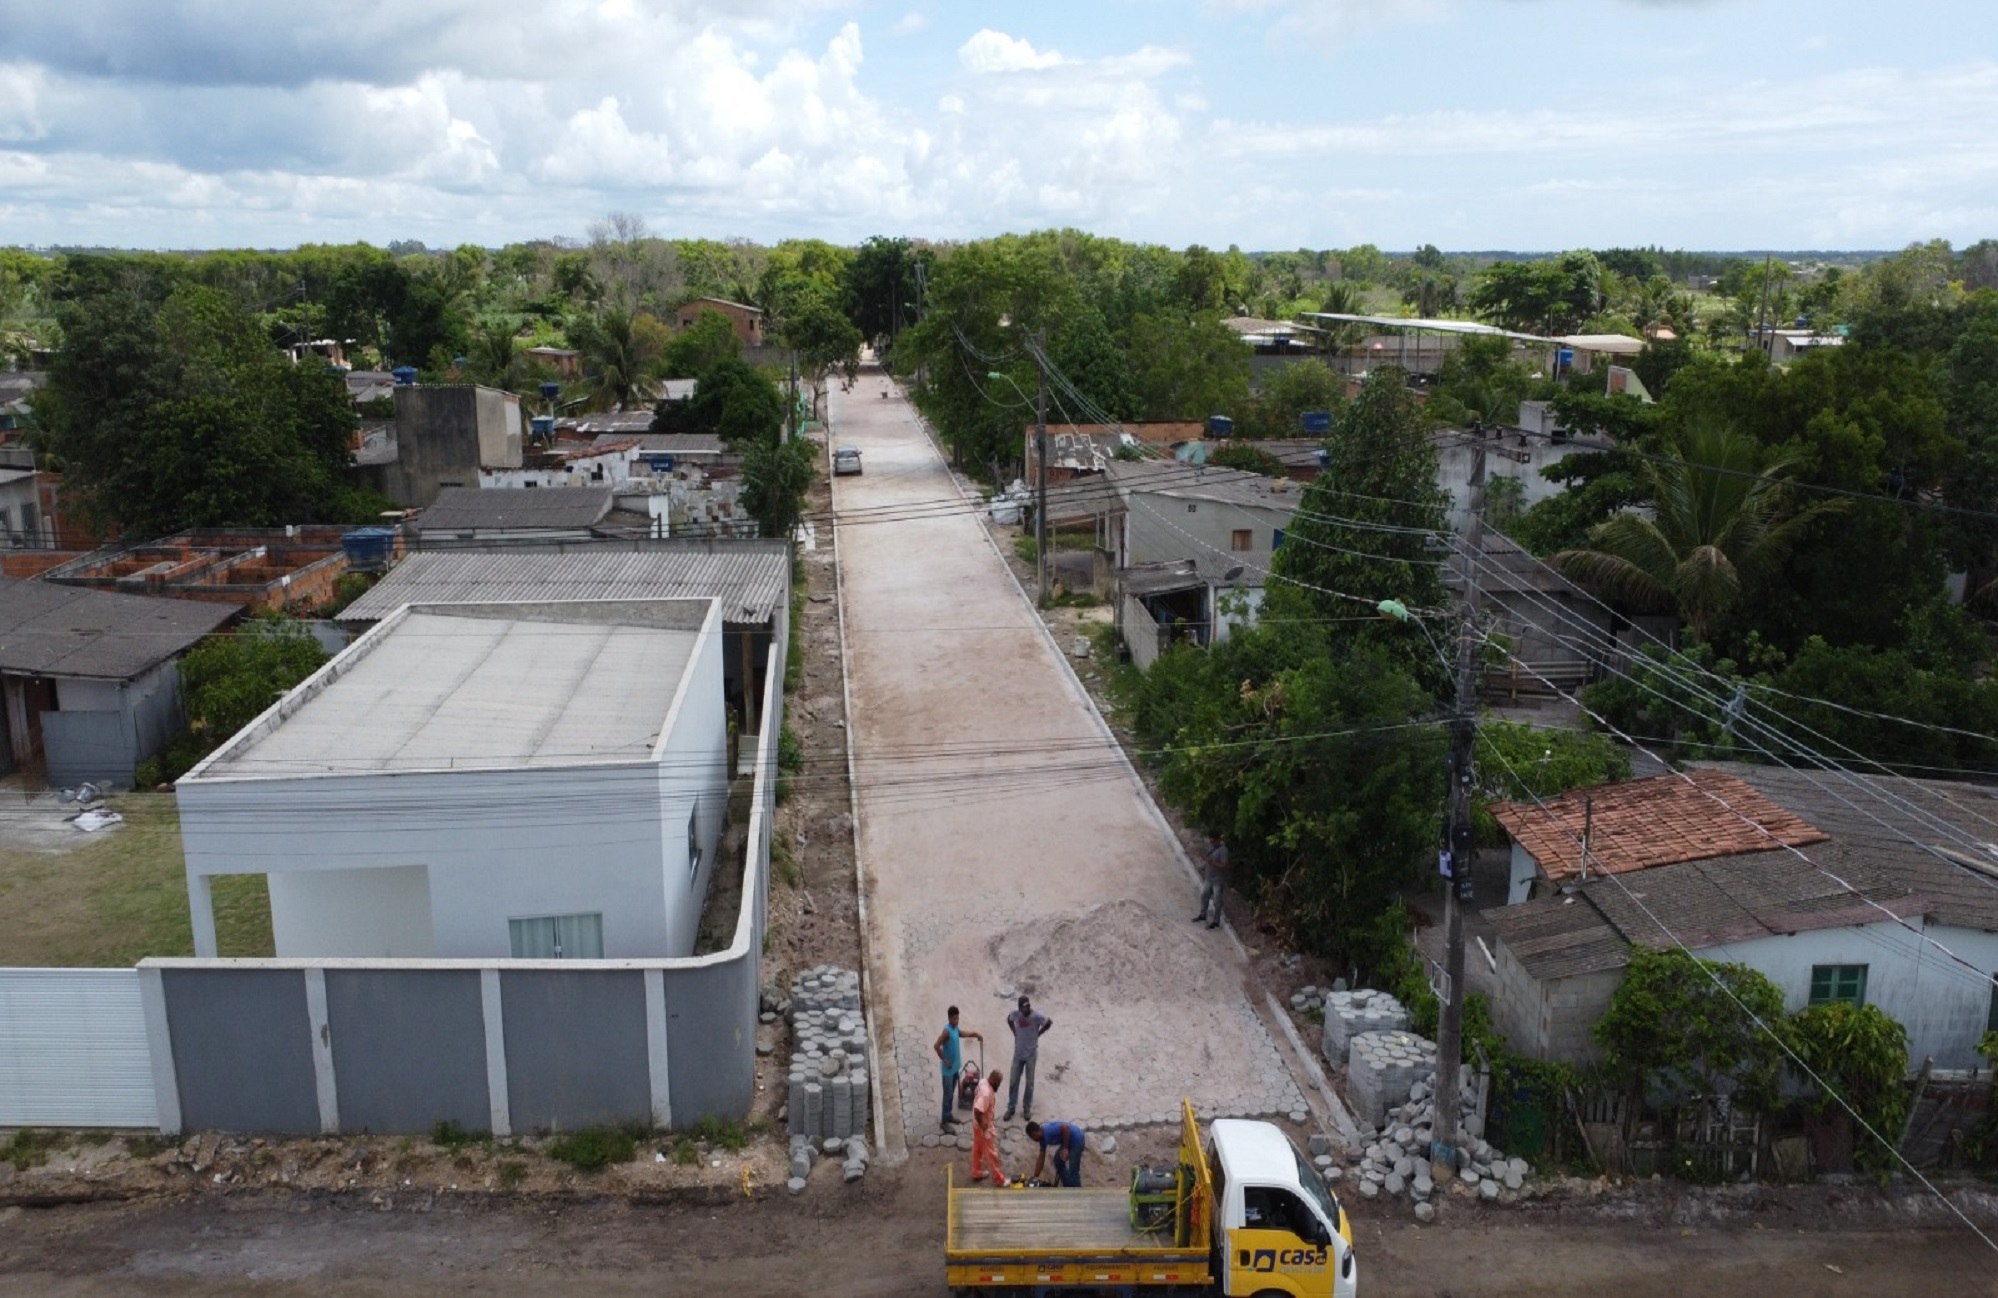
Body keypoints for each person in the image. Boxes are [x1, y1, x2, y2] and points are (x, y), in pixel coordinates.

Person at [1002, 994, 1052, 1122]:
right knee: (1013, 1081)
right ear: (1019, 1009)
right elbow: (1009, 1019)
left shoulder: (1036, 1016)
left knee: (1029, 1083)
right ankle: (1011, 1107)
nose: (1025, 1010)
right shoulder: (1017, 1015)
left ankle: (1026, 1108)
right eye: (1023, 1009)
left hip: (1030, 1054)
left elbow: (1049, 1022)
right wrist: (1015, 1033)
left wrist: (1039, 1033)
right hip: (1018, 1053)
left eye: (1027, 1007)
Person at [933, 1006, 981, 1134]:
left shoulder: (955, 1029)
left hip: (955, 1069)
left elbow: (963, 1034)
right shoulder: (946, 1031)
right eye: (954, 1018)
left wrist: (975, 1034)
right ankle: (944, 1122)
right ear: (949, 1018)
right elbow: (936, 1046)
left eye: (958, 1018)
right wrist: (945, 1059)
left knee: (952, 1093)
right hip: (947, 1071)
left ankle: (949, 1115)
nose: (957, 1020)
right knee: (947, 1094)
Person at [1024, 1119, 1086, 1188]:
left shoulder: (1049, 1130)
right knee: (1058, 1161)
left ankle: (1077, 1193)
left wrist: (1065, 1148)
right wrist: (1035, 1177)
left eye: (1033, 1137)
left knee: (1073, 1170)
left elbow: (1065, 1127)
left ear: (1037, 1131)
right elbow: (1041, 1159)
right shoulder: (1042, 1140)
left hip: (1077, 1139)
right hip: (1068, 1140)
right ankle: (1068, 1185)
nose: (1034, 1140)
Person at [970, 1068, 1005, 1183]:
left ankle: (976, 1172)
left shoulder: (983, 1081)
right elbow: (977, 1110)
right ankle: (999, 1179)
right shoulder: (986, 1094)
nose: (998, 1088)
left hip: (976, 1125)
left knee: (977, 1149)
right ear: (995, 1082)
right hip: (982, 1128)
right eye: (998, 1084)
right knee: (991, 1153)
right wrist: (983, 1125)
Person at [1193, 833, 1228, 930]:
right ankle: (1203, 914)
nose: (1212, 843)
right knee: (1204, 895)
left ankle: (1216, 921)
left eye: (1213, 841)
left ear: (1218, 840)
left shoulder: (1223, 850)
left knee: (1217, 901)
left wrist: (1213, 863)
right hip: (1209, 878)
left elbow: (1224, 866)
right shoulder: (1210, 848)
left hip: (1218, 880)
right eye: (1211, 841)